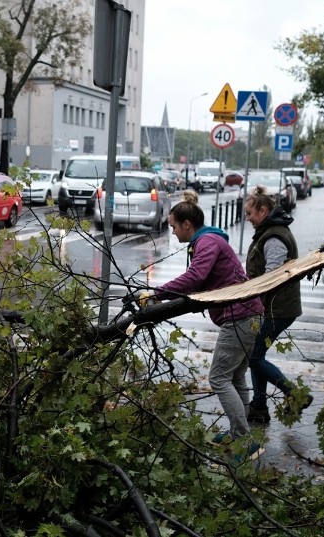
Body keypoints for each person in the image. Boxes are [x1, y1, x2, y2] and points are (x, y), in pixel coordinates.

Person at [140, 191, 264, 458]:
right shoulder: (208, 240)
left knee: (219, 377)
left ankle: (244, 442)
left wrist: (157, 293)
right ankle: (240, 435)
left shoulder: (207, 241)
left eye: (173, 226)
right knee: (235, 376)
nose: (172, 232)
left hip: (239, 315)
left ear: (187, 224)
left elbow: (196, 276)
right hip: (248, 314)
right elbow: (204, 280)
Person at [244, 186, 312, 423]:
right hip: (272, 306)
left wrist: (249, 293)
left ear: (263, 211)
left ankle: (294, 394)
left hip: (276, 308)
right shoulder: (270, 231)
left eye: (250, 213)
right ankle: (259, 407)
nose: (248, 218)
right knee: (257, 355)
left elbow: (272, 275)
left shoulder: (274, 236)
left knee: (254, 356)